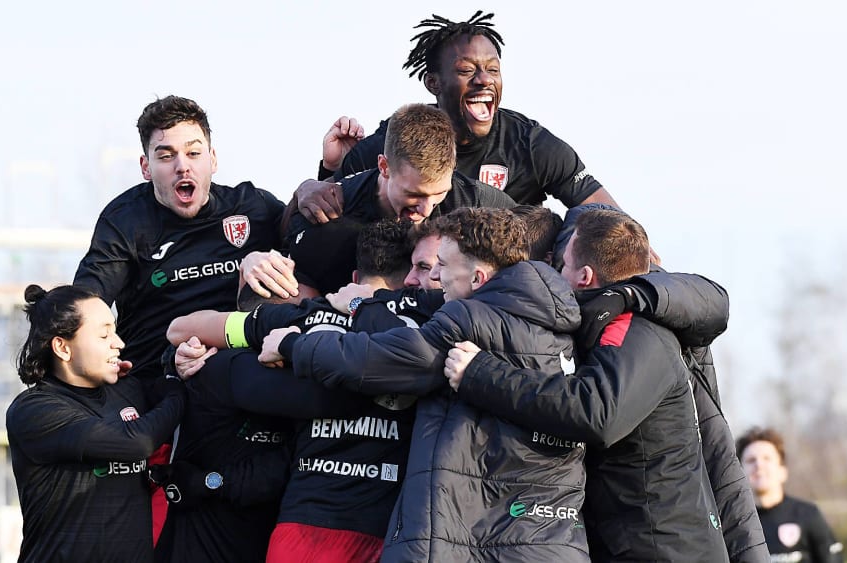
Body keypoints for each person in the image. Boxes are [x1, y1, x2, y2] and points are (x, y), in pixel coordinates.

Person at [260, 207, 590, 562]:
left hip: (485, 542)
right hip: (555, 541)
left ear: (478, 279)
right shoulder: (561, 325)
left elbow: (382, 360)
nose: (435, 275)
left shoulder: (470, 317)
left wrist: (292, 345)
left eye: (443, 266)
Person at [443, 208, 729, 561]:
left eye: (561, 266)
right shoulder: (611, 326)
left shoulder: (639, 331)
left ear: (584, 276)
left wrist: (479, 374)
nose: (556, 275)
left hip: (663, 551)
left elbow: (596, 413)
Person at [166, 220, 432, 563]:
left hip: (305, 526)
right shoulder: (432, 332)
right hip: (387, 530)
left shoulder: (302, 318)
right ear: (411, 279)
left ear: (352, 279)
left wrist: (293, 346)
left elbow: (180, 328)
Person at [297, 10, 619, 224]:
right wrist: (323, 176)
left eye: (492, 69)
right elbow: (324, 209)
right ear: (433, 83)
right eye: (466, 70)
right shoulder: (393, 143)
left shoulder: (531, 144)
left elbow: (608, 218)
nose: (483, 79)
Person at [73, 94, 286, 383]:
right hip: (152, 378)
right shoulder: (125, 220)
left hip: (236, 367)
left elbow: (313, 246)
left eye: (194, 153)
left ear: (212, 159)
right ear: (146, 167)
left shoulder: (252, 207)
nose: (182, 166)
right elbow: (85, 306)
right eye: (166, 155)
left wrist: (327, 174)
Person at [244, 103, 514, 301]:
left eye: (439, 193)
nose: (427, 208)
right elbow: (281, 298)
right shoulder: (327, 218)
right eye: (414, 194)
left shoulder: (474, 202)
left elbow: (539, 233)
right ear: (384, 167)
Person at [5, 284, 187, 562]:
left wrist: (176, 376)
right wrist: (178, 389)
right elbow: (137, 441)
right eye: (104, 335)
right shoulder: (35, 410)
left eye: (114, 331)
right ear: (63, 348)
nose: (119, 343)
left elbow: (161, 393)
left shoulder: (127, 390)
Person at [737, 427, 844, 563]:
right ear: (739, 473)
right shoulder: (734, 523)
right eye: (751, 460)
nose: (759, 465)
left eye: (767, 459)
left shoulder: (808, 515)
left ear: (783, 471)